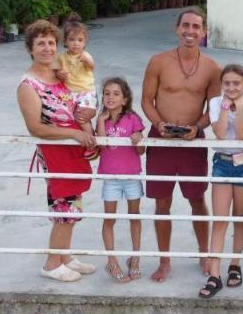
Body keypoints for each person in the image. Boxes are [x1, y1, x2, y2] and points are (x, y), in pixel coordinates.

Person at [140, 8, 221, 283]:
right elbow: (146, 101)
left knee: (197, 199)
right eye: (185, 25)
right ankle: (164, 261)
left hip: (192, 141)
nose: (190, 31)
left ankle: (204, 254)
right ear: (177, 29)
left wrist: (198, 127)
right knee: (162, 202)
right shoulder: (158, 62)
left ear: (204, 32)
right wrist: (159, 124)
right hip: (160, 139)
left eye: (196, 26)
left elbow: (215, 108)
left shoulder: (211, 67)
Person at [16, 19, 97, 282]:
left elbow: (80, 98)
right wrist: (74, 133)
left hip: (73, 149)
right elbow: (35, 127)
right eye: (40, 43)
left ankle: (65, 255)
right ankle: (51, 263)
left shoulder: (59, 74)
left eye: (51, 42)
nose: (48, 48)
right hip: (55, 151)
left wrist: (88, 129)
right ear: (30, 48)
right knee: (64, 205)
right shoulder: (28, 85)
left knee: (74, 203)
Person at [198, 64, 243, 299]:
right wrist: (225, 107)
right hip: (222, 163)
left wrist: (241, 106)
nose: (231, 87)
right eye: (227, 83)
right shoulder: (215, 102)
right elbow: (222, 134)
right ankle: (214, 274)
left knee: (240, 217)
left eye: (236, 83)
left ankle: (235, 264)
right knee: (220, 219)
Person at [96, 77, 147, 283]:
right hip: (111, 178)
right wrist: (100, 121)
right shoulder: (102, 119)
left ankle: (135, 258)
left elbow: (141, 151)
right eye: (107, 93)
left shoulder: (133, 118)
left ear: (125, 99)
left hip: (132, 176)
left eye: (116, 94)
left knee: (134, 217)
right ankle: (112, 261)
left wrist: (137, 139)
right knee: (110, 219)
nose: (110, 97)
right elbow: (101, 147)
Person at [56, 14, 97, 152]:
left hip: (85, 92)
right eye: (72, 39)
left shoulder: (85, 55)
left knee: (81, 118)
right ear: (65, 41)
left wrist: (87, 60)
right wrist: (59, 74)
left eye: (80, 40)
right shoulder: (61, 56)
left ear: (85, 42)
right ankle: (74, 142)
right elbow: (56, 72)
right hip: (69, 92)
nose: (76, 43)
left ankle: (91, 142)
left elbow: (91, 66)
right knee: (65, 117)